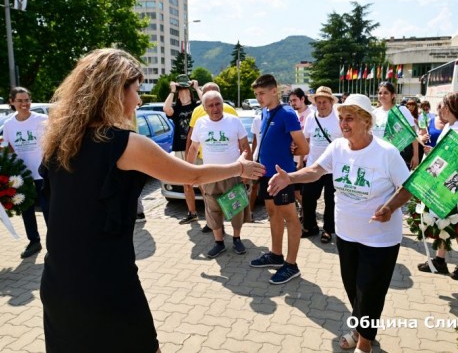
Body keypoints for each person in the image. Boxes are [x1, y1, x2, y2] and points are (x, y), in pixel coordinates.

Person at [39, 48, 265, 353]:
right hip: (105, 280)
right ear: (116, 91)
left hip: (58, 281)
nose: (139, 100)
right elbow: (191, 176)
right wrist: (239, 167)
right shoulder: (124, 144)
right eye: (135, 90)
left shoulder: (59, 141)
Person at [267, 94, 412, 353]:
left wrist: (390, 207)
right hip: (346, 235)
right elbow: (316, 170)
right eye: (342, 118)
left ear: (366, 121)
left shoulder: (386, 153)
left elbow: (408, 187)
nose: (344, 124)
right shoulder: (338, 147)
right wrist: (289, 177)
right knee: (353, 288)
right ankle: (359, 329)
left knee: (370, 291)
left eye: (350, 118)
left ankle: (365, 343)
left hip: (380, 238)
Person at [249, 74, 309, 285]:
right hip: (266, 175)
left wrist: (292, 153)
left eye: (262, 93)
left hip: (282, 177)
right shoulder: (265, 112)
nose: (259, 98)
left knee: (290, 218)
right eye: (256, 94)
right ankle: (276, 254)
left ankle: (291, 265)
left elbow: (304, 147)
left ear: (274, 90)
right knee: (273, 213)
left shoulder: (287, 113)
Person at [417, 92, 458, 280]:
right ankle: (440, 260)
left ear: (450, 107)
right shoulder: (450, 127)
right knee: (442, 221)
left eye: (442, 105)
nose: (439, 108)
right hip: (443, 182)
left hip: (457, 184)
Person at [187, 91, 251, 257]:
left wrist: (245, 171)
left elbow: (245, 146)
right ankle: (219, 242)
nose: (215, 108)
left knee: (236, 207)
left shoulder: (234, 121)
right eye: (211, 105)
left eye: (218, 104)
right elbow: (193, 148)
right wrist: (188, 171)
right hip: (209, 175)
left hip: (232, 173)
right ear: (204, 108)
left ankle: (237, 239)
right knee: (212, 208)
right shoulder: (200, 123)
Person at [185, 82, 238, 233]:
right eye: (207, 94)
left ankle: (230, 230)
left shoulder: (230, 110)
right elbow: (192, 135)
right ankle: (214, 224)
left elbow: (235, 134)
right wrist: (189, 161)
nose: (212, 103)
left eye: (214, 94)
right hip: (204, 159)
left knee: (229, 196)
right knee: (208, 196)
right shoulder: (197, 111)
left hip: (228, 162)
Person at [3, 87, 49, 258]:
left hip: (43, 172)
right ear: (12, 102)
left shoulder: (43, 119)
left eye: (27, 100)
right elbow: (8, 148)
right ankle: (34, 242)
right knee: (27, 210)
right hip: (21, 176)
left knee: (48, 209)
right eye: (20, 101)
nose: (25, 104)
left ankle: (55, 244)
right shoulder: (8, 125)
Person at [300, 86, 342, 242]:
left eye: (325, 101)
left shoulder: (338, 118)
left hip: (333, 167)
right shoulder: (311, 117)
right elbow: (306, 140)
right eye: (319, 102)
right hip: (313, 165)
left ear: (331, 102)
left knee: (330, 200)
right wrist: (301, 162)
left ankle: (328, 230)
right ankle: (310, 226)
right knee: (308, 197)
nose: (322, 105)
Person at [163, 74, 203, 225]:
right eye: (180, 90)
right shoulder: (177, 109)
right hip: (180, 147)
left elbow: (206, 102)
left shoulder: (197, 107)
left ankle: (209, 214)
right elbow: (166, 108)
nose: (183, 91)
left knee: (202, 181)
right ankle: (192, 213)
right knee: (187, 182)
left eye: (185, 89)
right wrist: (172, 91)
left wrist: (197, 87)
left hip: (196, 148)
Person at [372, 81, 420, 170]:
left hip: (399, 156)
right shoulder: (374, 113)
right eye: (380, 93)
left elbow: (413, 133)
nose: (382, 95)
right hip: (379, 157)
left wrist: (415, 155)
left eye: (386, 93)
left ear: (393, 95)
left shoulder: (401, 110)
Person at [288, 88, 315, 222]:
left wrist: (300, 161)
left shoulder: (312, 114)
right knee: (295, 190)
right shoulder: (292, 114)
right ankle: (305, 213)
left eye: (295, 100)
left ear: (303, 99)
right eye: (291, 101)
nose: (293, 103)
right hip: (292, 157)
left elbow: (308, 139)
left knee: (301, 191)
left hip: (305, 159)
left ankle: (307, 215)